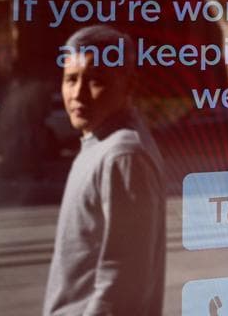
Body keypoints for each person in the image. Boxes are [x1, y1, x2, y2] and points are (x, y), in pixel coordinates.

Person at [44, 26, 166, 316]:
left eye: (96, 80)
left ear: (129, 85)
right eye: (70, 79)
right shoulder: (98, 143)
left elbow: (122, 282)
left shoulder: (122, 155)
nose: (78, 94)